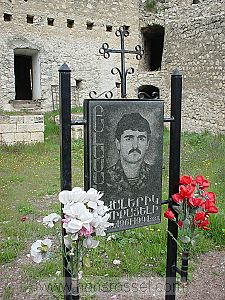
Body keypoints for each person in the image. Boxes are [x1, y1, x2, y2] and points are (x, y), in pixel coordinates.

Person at [104, 112, 159, 199]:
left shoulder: (154, 175)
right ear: (118, 143)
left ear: (147, 144)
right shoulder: (106, 177)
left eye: (141, 138)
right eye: (129, 138)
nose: (135, 146)